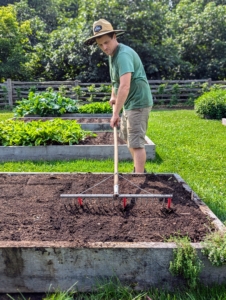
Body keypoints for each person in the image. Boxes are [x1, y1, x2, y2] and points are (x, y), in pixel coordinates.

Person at [84, 19, 153, 173]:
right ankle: (138, 170)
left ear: (114, 36)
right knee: (129, 139)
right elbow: (116, 81)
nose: (104, 47)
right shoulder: (112, 55)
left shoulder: (123, 55)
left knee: (136, 143)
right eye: (100, 45)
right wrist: (113, 96)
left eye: (107, 42)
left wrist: (115, 114)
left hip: (138, 102)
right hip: (130, 103)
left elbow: (125, 85)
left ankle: (139, 176)